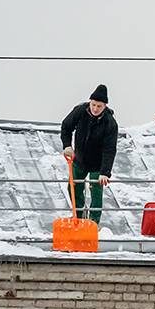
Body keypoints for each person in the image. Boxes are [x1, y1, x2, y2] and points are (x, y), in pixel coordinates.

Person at [59, 84, 119, 224]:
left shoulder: (110, 123)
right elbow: (66, 126)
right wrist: (67, 145)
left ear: (104, 106)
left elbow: (110, 149)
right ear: (90, 102)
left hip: (98, 164)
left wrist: (105, 172)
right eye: (93, 104)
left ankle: (93, 222)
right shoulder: (80, 111)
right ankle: (78, 218)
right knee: (73, 187)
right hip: (79, 159)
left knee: (96, 190)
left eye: (99, 106)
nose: (95, 108)